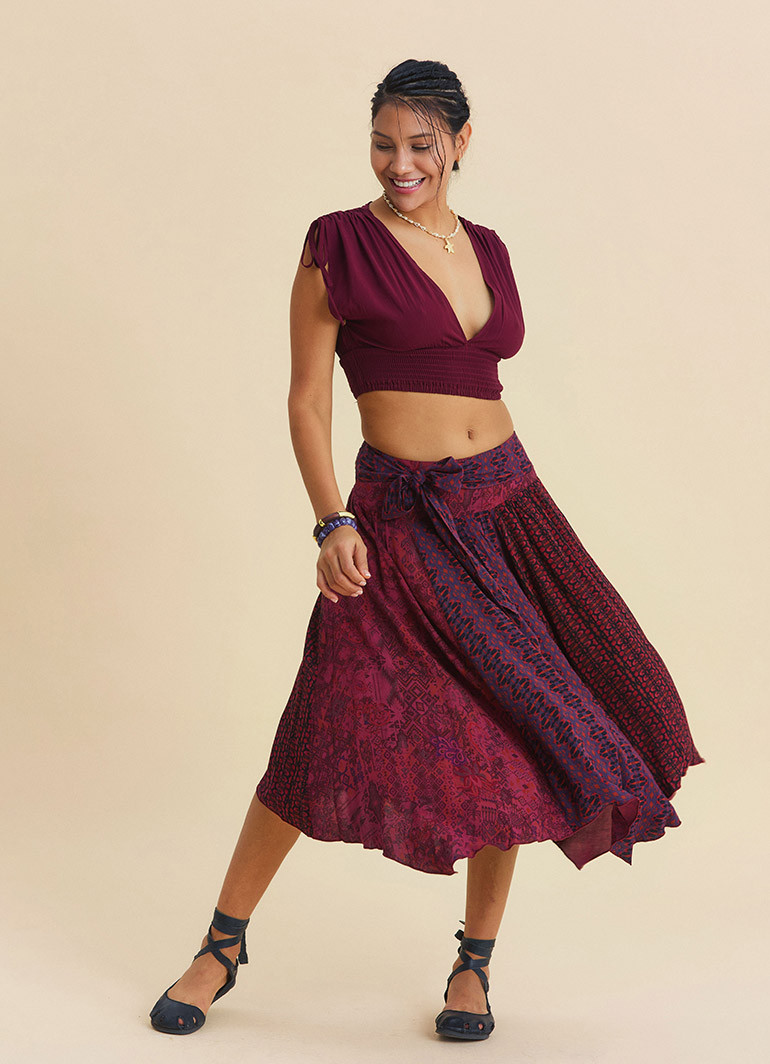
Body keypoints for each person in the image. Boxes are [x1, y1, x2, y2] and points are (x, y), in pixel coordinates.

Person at [149, 58, 704, 1042]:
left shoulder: (488, 248)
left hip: (507, 506)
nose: (399, 163)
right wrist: (332, 519)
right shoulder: (335, 244)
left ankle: (472, 964)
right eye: (382, 144)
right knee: (318, 724)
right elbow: (307, 399)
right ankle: (220, 946)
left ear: (460, 141)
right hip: (395, 516)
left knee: (521, 727)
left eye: (420, 144)